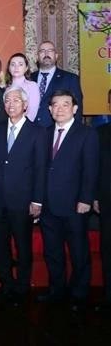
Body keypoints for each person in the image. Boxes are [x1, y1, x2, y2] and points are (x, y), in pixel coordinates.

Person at [37, 89, 98, 312]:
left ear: (74, 108)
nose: (59, 109)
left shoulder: (86, 134)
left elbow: (91, 170)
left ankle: (80, 293)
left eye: (65, 104)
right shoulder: (44, 133)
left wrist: (86, 198)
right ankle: (57, 291)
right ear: (50, 110)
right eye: (55, 105)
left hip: (75, 204)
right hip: (48, 204)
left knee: (78, 251)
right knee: (52, 251)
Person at [0, 86, 47, 305]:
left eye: (16, 100)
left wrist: (37, 199)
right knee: (0, 244)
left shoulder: (38, 131)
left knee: (23, 245)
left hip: (23, 200)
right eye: (8, 101)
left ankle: (22, 288)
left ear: (25, 105)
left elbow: (41, 168)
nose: (11, 104)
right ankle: (6, 284)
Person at [30, 40, 83, 127]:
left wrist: (74, 134)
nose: (46, 54)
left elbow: (77, 110)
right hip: (31, 132)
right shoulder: (29, 79)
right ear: (37, 56)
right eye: (42, 51)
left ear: (56, 56)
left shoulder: (70, 79)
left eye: (50, 50)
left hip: (57, 133)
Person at [94, 90, 111, 312]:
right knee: (108, 249)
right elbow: (95, 169)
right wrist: (95, 195)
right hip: (107, 200)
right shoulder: (100, 133)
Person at [6, 53, 40, 122]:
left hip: (26, 127)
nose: (16, 67)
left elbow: (32, 112)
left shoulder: (32, 86)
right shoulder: (5, 88)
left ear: (26, 68)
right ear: (9, 68)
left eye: (20, 64)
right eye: (13, 64)